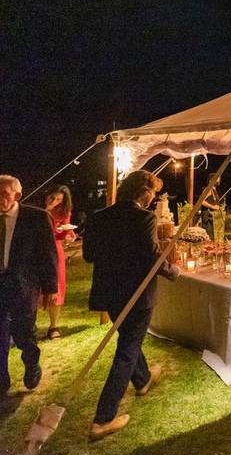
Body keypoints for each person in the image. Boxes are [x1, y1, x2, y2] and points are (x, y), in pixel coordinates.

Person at [83, 170, 180, 440]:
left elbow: (89, 255)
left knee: (129, 338)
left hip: (110, 293)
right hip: (137, 294)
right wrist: (173, 271)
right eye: (154, 193)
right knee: (127, 350)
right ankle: (103, 419)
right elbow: (151, 257)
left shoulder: (98, 217)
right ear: (144, 191)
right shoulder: (145, 217)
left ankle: (143, 379)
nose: (154, 199)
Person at [0, 175, 58, 399]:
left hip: (23, 284)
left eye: (5, 194)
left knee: (24, 333)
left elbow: (48, 254)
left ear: (17, 195)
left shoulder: (37, 217)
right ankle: (2, 380)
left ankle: (32, 364)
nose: (1, 199)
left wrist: (50, 288)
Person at [44, 185, 76, 339]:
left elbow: (66, 231)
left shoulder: (64, 211)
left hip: (55, 250)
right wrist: (47, 207)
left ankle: (53, 326)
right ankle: (28, 324)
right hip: (36, 249)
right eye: (53, 198)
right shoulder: (36, 209)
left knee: (56, 286)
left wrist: (69, 234)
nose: (56, 202)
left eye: (59, 200)